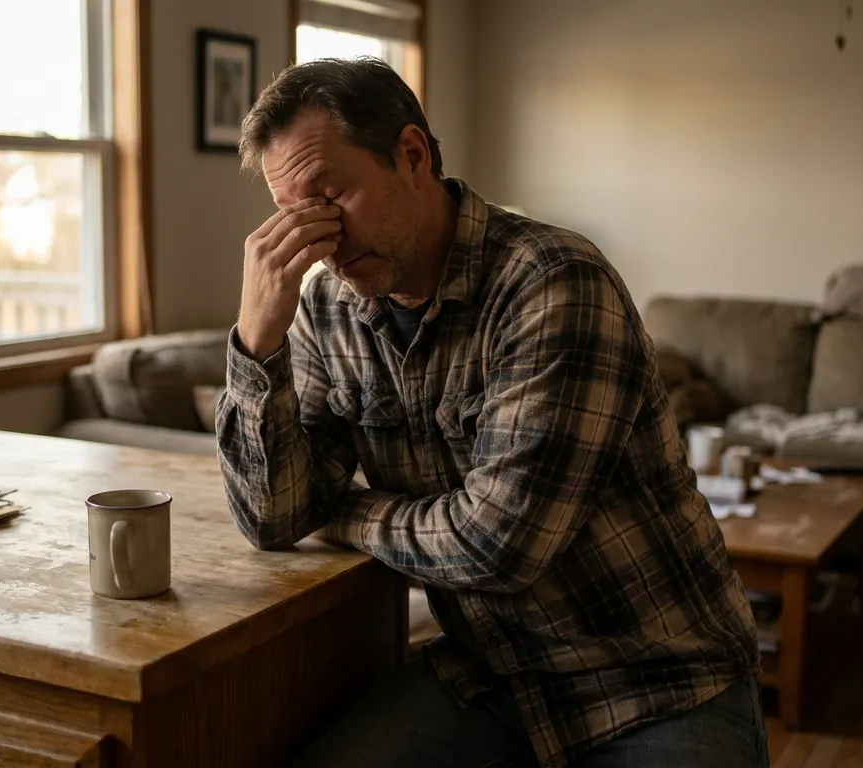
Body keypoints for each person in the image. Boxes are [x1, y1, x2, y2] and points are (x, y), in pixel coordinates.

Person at [215, 57, 766, 768]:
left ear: (412, 155)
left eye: (333, 195)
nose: (322, 239)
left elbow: (497, 547)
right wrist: (256, 341)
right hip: (493, 675)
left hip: (657, 679)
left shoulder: (553, 281)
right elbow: (273, 519)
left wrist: (344, 512)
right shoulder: (326, 307)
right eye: (295, 214)